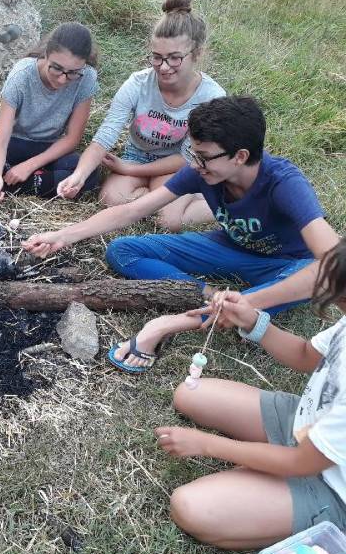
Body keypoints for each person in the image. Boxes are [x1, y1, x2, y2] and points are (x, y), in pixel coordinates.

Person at [23, 96, 339, 373]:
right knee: (122, 251)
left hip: (285, 265)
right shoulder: (202, 169)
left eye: (202, 156)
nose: (194, 163)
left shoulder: (284, 184)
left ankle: (175, 322)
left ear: (240, 156)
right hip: (229, 247)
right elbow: (133, 211)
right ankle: (207, 295)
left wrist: (246, 303)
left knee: (299, 282)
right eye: (192, 153)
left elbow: (334, 265)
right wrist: (65, 235)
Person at [156, 239, 346, 550]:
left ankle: (311, 513)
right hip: (305, 424)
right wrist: (253, 320)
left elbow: (300, 462)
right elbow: (304, 355)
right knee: (190, 394)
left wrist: (206, 444)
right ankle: (259, 485)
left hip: (331, 485)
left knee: (191, 506)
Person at [58, 0, 225, 230]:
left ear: (196, 54)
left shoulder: (211, 98)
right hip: (137, 154)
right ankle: (162, 199)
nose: (164, 67)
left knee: (166, 221)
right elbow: (105, 136)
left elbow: (189, 158)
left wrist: (130, 169)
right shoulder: (137, 84)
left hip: (176, 164)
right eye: (156, 57)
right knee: (109, 199)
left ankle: (214, 203)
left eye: (174, 58)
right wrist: (79, 175)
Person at [0, 22, 101, 200]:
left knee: (90, 175)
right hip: (13, 142)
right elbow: (0, 142)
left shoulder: (87, 77)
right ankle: (30, 181)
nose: (62, 79)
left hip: (47, 146)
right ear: (46, 54)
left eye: (73, 73)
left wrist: (29, 166)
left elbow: (72, 139)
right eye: (57, 68)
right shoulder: (22, 74)